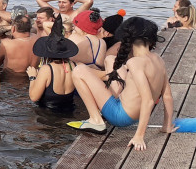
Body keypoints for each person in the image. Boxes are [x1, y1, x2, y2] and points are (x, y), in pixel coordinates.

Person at [68, 17, 175, 150]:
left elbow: (147, 101)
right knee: (110, 59)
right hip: (132, 112)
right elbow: (167, 96)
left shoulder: (135, 63)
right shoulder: (158, 60)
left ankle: (95, 120)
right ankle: (100, 78)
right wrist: (167, 125)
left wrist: (139, 136)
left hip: (120, 115)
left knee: (78, 70)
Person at [26, 26, 79, 112]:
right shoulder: (73, 65)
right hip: (69, 111)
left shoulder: (47, 69)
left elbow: (33, 97)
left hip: (48, 115)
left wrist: (32, 77)